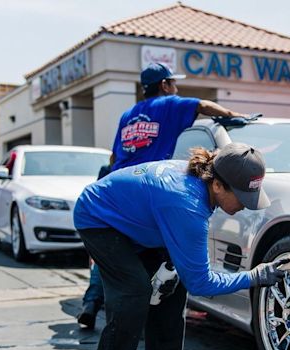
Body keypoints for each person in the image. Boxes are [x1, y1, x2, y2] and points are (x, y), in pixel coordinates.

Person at [73, 143, 288, 350]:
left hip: (142, 221)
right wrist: (255, 277)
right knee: (134, 292)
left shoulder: (201, 187)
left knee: (172, 280)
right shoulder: (187, 204)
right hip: (100, 219)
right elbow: (202, 283)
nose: (245, 206)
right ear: (218, 185)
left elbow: (189, 271)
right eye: (242, 197)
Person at [76, 62, 250, 328]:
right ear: (164, 85)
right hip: (156, 193)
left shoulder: (128, 115)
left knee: (115, 255)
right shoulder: (168, 104)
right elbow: (203, 105)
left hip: (122, 191)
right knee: (148, 271)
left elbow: (114, 157)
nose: (176, 88)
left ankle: (92, 301)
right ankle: (144, 321)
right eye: (173, 83)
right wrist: (230, 114)